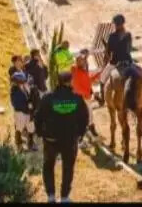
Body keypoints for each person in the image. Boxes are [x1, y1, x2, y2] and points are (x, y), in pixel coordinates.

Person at [34, 71, 89, 203]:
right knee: (68, 167)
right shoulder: (77, 98)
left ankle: (51, 196)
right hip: (70, 140)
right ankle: (64, 197)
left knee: (48, 166)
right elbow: (85, 118)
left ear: (58, 82)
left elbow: (38, 116)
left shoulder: (47, 98)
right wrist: (80, 134)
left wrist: (40, 133)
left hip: (50, 139)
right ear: (70, 82)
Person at [71, 50, 104, 144]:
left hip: (86, 97)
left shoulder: (82, 70)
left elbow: (88, 80)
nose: (84, 62)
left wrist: (97, 75)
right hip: (81, 98)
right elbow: (76, 86)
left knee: (89, 115)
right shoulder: (75, 70)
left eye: (84, 61)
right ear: (77, 61)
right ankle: (80, 139)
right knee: (83, 117)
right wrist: (88, 93)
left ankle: (91, 132)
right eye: (82, 61)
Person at [10, 72, 37, 152]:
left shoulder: (25, 88)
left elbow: (29, 97)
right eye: (22, 81)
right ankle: (19, 145)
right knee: (19, 128)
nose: (24, 82)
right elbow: (16, 103)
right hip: (20, 112)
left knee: (31, 127)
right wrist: (27, 106)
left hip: (28, 112)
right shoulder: (14, 91)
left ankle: (31, 143)